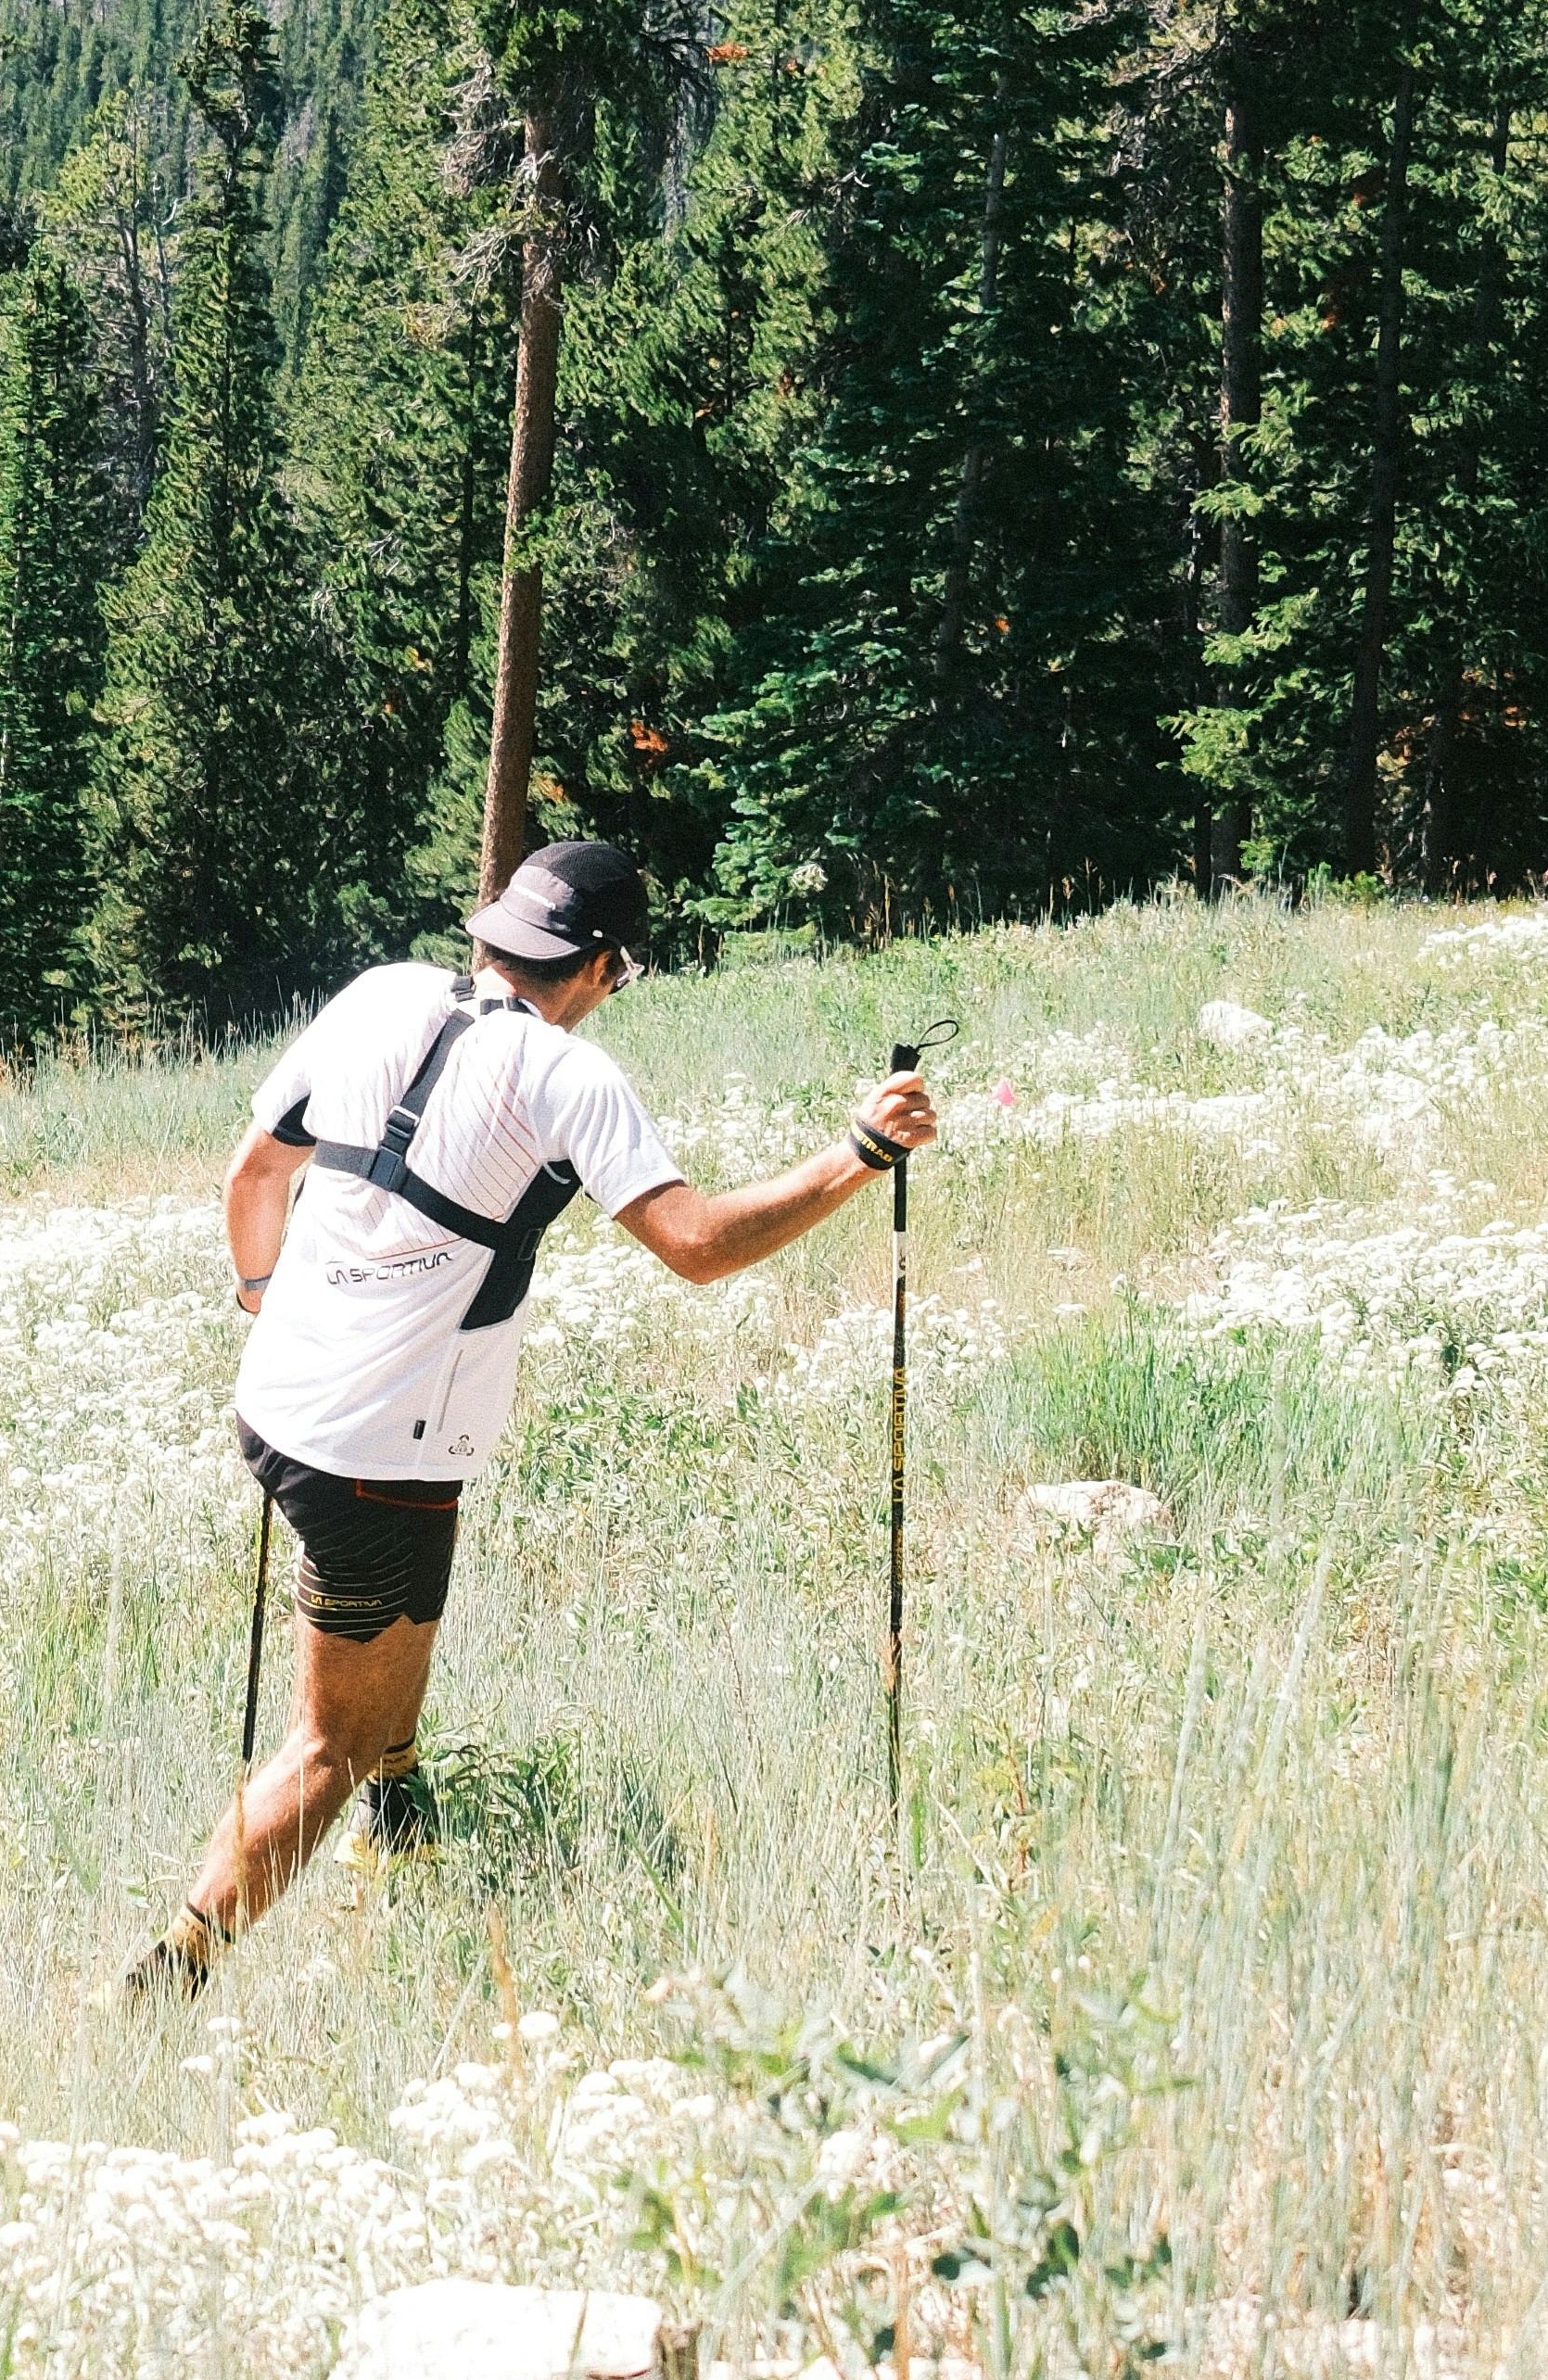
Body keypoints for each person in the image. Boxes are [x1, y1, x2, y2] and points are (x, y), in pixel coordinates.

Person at [124, 836, 938, 1993]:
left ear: (492, 933)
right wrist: (858, 1154)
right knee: (328, 1746)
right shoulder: (568, 1077)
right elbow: (697, 1249)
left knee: (411, 1600)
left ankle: (405, 1831)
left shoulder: (378, 994)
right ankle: (167, 1979)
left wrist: (267, 1304)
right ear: (607, 969)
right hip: (369, 1456)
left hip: (289, 1410)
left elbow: (254, 1173)